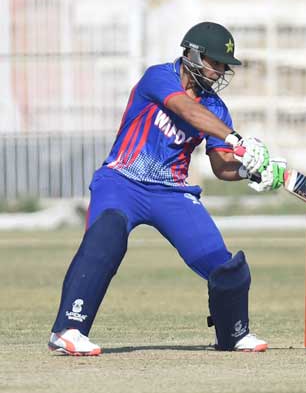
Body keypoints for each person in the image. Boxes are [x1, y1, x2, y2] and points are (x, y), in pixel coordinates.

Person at [48, 22, 285, 356]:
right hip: (121, 182)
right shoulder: (159, 77)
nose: (218, 72)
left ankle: (232, 333)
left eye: (223, 66)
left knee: (224, 265)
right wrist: (239, 140)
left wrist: (252, 171)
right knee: (106, 238)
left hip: (171, 193)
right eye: (213, 63)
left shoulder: (217, 108)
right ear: (191, 54)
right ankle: (69, 329)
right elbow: (184, 109)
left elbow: (221, 166)